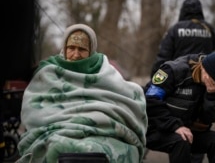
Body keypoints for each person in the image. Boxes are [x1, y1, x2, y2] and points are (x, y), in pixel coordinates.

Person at [17, 24, 148, 163]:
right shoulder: (48, 73)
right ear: (64, 48)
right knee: (54, 146)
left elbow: (127, 95)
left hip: (104, 132)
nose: (76, 54)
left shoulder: (105, 71)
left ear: (91, 50)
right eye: (71, 48)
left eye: (82, 49)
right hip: (55, 131)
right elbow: (33, 108)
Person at [144, 50, 215, 163]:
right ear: (204, 67)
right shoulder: (173, 70)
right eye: (212, 79)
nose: (213, 83)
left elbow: (209, 118)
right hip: (153, 129)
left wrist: (212, 96)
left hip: (183, 130)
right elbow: (150, 101)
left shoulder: (212, 85)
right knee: (182, 141)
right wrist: (175, 126)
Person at [150, 0, 215, 77]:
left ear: (183, 11)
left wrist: (155, 77)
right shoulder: (209, 29)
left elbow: (164, 56)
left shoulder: (175, 29)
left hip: (180, 79)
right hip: (204, 79)